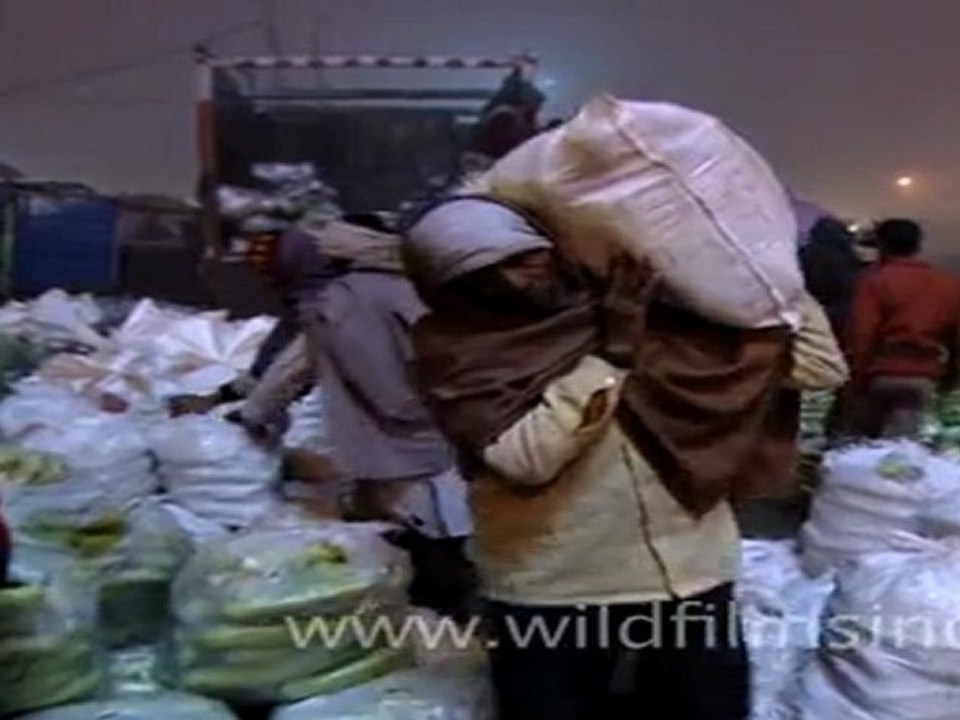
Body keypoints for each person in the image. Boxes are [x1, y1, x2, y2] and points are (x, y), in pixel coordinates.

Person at [405, 197, 848, 720]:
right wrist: (610, 358)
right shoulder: (463, 353)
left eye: (524, 257)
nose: (517, 279)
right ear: (448, 288)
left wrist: (767, 273)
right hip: (556, 584)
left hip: (688, 570)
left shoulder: (650, 317)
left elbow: (820, 367)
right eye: (483, 273)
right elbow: (526, 459)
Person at [237, 218, 474, 619]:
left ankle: (431, 626)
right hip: (445, 442)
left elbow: (300, 366)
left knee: (420, 552)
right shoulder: (424, 287)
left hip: (401, 447)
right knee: (444, 539)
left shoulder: (345, 300)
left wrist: (255, 413)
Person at [847, 219, 960, 438]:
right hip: (924, 375)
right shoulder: (946, 283)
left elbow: (862, 334)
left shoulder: (875, 281)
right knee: (904, 443)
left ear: (882, 246)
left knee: (864, 443)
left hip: (881, 373)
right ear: (917, 245)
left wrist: (856, 381)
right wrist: (951, 376)